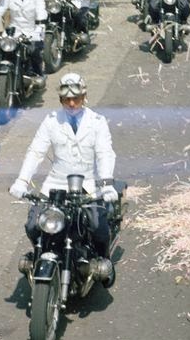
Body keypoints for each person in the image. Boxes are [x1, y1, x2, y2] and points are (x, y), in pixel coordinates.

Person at [9, 73, 118, 264]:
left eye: (76, 98)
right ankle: (39, 257)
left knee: (98, 229)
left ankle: (103, 264)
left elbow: (104, 154)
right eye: (67, 99)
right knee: (33, 226)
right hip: (55, 185)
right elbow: (36, 152)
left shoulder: (97, 122)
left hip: (89, 186)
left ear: (84, 97)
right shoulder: (51, 121)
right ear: (61, 99)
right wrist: (22, 180)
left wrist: (107, 183)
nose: (72, 104)